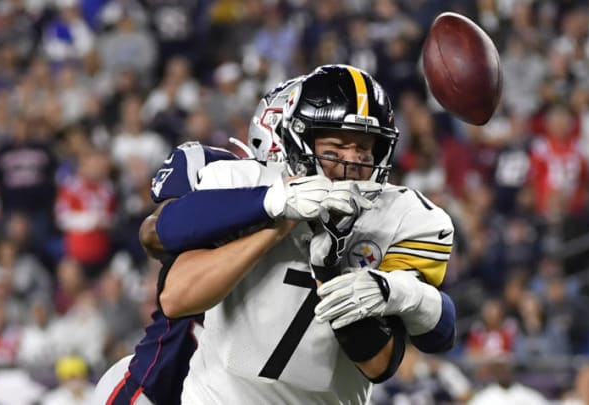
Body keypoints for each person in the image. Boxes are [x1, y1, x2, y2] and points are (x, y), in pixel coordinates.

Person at [169, 65, 457, 403]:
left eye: (365, 149)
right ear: (300, 142)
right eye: (336, 146)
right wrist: (275, 215)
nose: (353, 162)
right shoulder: (242, 182)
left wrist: (376, 286)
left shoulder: (403, 217)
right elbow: (176, 297)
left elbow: (383, 364)